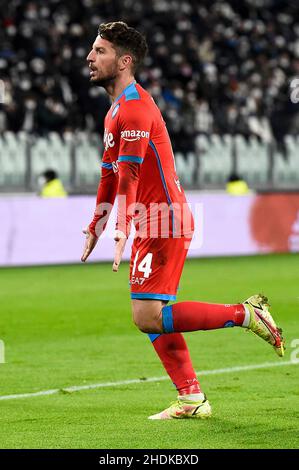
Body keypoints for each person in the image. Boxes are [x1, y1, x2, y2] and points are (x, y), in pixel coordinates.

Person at [81, 22, 285, 420]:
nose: (90, 57)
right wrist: (97, 223)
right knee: (153, 313)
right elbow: (109, 174)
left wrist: (119, 226)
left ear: (124, 61)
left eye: (100, 51)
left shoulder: (136, 107)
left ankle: (245, 314)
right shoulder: (115, 112)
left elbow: (130, 175)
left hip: (163, 218)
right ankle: (191, 398)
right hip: (150, 219)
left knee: (147, 315)